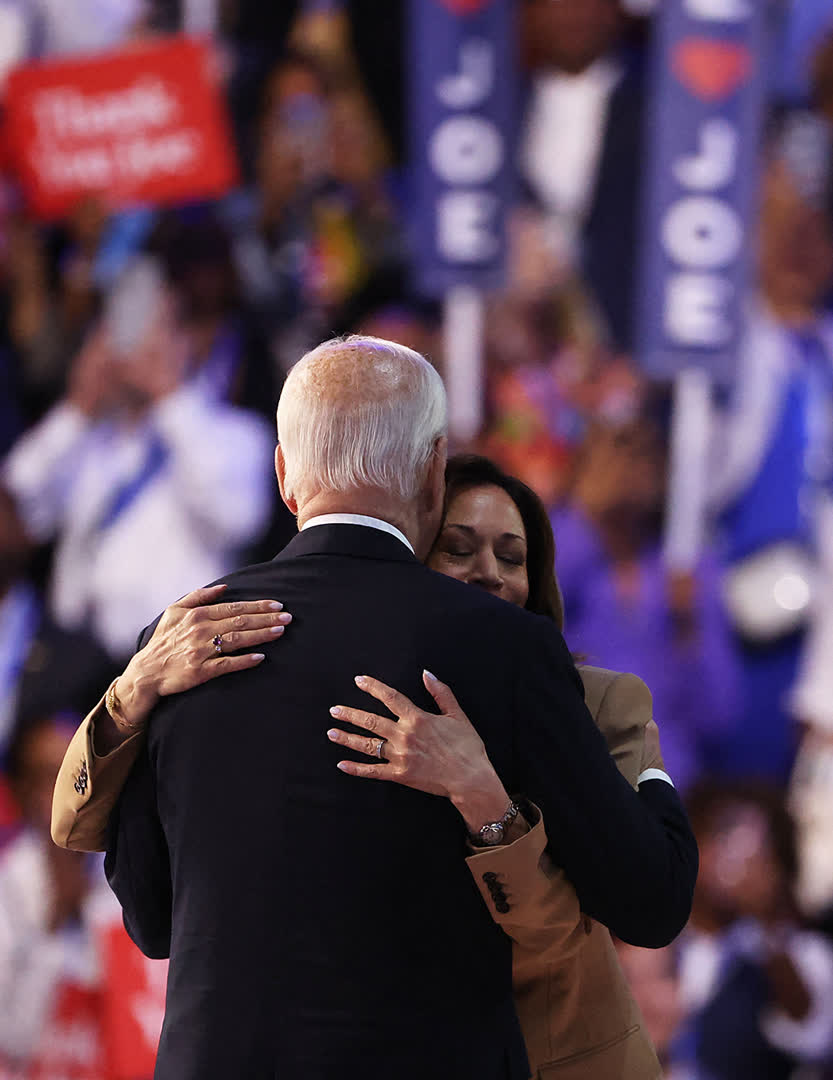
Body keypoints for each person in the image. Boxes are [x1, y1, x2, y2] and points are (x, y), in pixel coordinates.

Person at [62, 336, 696, 1079]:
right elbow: (650, 900)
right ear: (433, 473)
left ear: (283, 476)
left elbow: (151, 916)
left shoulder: (181, 639)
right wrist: (647, 773)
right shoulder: (505, 649)